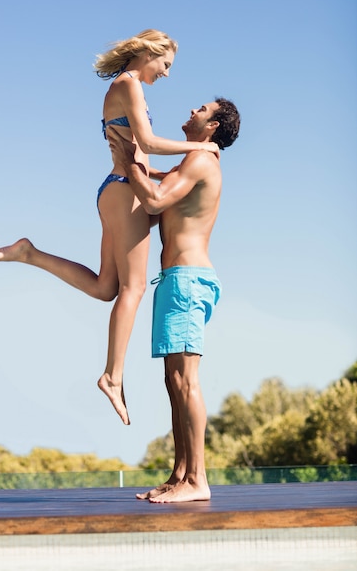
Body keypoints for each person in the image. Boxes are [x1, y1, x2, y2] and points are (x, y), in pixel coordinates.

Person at [0, 29, 219, 426]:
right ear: (149, 53)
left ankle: (29, 253)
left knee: (106, 287)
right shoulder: (129, 85)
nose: (167, 73)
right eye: (166, 64)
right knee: (135, 287)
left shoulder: (123, 87)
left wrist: (164, 172)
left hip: (116, 189)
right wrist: (200, 147)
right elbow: (147, 141)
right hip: (125, 194)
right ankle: (112, 376)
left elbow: (138, 154)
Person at [107, 97, 240, 502]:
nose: (192, 111)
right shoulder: (190, 163)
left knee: (186, 380)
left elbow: (153, 200)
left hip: (187, 280)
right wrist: (132, 161)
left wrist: (130, 157)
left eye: (202, 109)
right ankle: (181, 474)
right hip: (176, 280)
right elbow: (152, 181)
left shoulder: (200, 162)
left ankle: (198, 481)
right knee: (172, 380)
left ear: (213, 126)